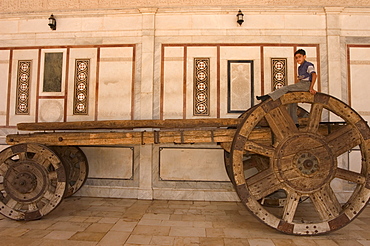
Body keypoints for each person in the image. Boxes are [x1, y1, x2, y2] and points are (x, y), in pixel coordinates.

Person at [256, 49, 317, 126]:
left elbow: (314, 75)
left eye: (299, 57)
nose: (298, 59)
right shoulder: (300, 67)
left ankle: (268, 96)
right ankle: (294, 122)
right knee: (292, 100)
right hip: (301, 84)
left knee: (286, 88)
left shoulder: (308, 65)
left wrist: (311, 88)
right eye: (296, 57)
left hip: (306, 84)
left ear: (304, 56)